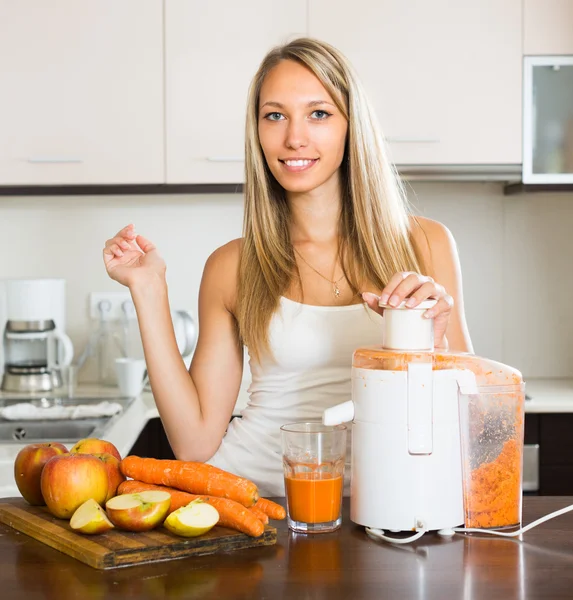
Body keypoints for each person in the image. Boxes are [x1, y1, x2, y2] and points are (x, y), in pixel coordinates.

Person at [103, 38, 473, 496]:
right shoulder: (232, 265)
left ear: (351, 126)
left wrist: (433, 345)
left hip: (391, 506)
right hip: (255, 503)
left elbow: (471, 426)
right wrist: (148, 289)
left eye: (319, 113)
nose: (294, 137)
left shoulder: (426, 244)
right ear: (257, 130)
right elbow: (195, 444)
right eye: (274, 115)